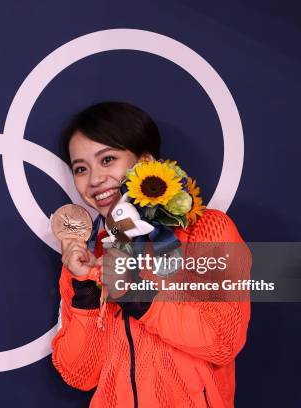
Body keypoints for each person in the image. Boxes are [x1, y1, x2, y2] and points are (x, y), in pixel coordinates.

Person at [52, 101, 251, 408]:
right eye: (81, 168)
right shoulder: (88, 254)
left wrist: (136, 294)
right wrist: (84, 295)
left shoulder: (206, 230)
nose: (94, 179)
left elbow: (223, 340)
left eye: (107, 160)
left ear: (145, 161)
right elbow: (80, 375)